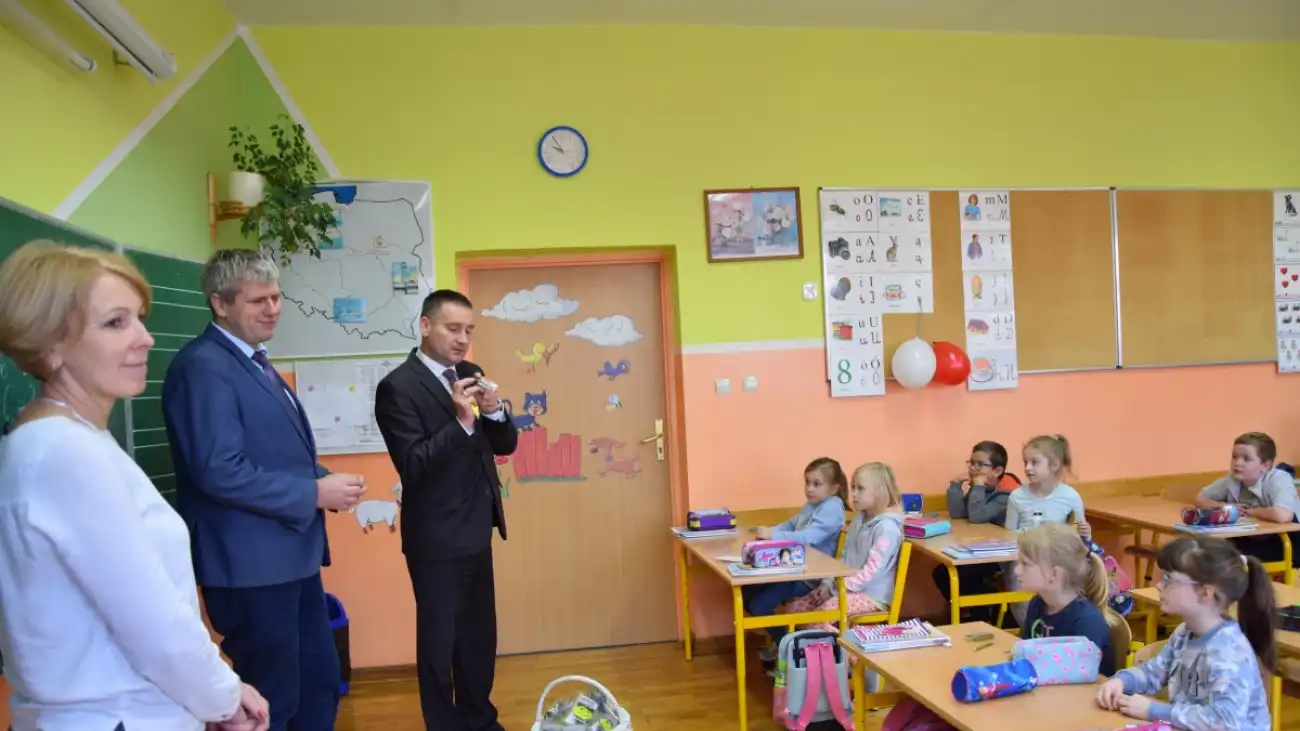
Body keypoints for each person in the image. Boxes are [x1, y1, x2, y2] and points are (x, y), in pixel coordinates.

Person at [0, 241, 269, 731]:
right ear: (50, 344)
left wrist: (210, 696)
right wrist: (224, 697)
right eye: (115, 323)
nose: (145, 338)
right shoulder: (65, 453)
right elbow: (153, 623)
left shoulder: (62, 438)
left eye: (139, 319)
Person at [162, 249, 365, 731]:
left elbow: (269, 452)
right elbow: (218, 469)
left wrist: (321, 478)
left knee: (318, 686)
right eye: (258, 300)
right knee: (274, 702)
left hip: (289, 561)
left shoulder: (252, 361)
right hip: (250, 569)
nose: (272, 309)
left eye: (276, 297)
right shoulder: (204, 366)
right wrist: (313, 493)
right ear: (220, 304)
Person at [373, 289, 517, 731]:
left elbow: (504, 444)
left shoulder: (471, 374)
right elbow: (413, 464)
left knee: (478, 638)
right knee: (439, 644)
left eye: (469, 330)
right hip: (435, 540)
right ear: (425, 326)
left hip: (476, 530)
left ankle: (480, 720)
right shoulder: (397, 387)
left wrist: (494, 412)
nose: (462, 339)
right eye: (453, 328)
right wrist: (460, 422)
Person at [1097, 536, 1275, 731]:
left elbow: (1224, 721)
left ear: (1205, 593)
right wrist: (1121, 681)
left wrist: (1154, 710)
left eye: (1168, 579)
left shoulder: (1229, 650)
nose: (1159, 585)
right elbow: (1154, 672)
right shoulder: (1185, 631)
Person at [778, 462, 905, 633]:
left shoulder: (887, 529)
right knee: (795, 609)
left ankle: (837, 648)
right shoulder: (859, 519)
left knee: (819, 616)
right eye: (853, 487)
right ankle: (807, 647)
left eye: (860, 488)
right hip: (843, 587)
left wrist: (835, 588)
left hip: (871, 596)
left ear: (879, 492)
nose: (854, 494)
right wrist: (828, 583)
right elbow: (844, 559)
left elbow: (870, 573)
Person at [746, 457, 848, 663]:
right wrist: (769, 532)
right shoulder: (813, 504)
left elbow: (808, 538)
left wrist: (773, 535)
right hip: (794, 568)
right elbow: (790, 525)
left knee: (758, 605)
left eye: (816, 484)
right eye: (807, 482)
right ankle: (783, 640)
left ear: (834, 488)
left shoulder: (832, 508)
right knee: (747, 594)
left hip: (809, 576)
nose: (809, 488)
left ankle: (789, 645)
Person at [1014, 523, 1122, 676]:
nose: (1017, 570)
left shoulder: (1086, 622)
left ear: (1055, 574)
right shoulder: (1037, 604)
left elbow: (1080, 679)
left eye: (1025, 564)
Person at [934, 440, 1020, 620]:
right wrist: (955, 485)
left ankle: (982, 616)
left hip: (1000, 557)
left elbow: (977, 517)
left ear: (997, 471)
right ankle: (976, 612)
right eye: (971, 463)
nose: (973, 468)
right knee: (942, 572)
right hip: (977, 551)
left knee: (967, 575)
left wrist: (978, 486)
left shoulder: (1005, 497)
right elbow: (957, 513)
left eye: (980, 464)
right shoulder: (978, 492)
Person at [1194, 431, 1300, 567]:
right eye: (1234, 457)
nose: (1237, 463)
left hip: (1286, 542)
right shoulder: (1232, 479)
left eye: (1246, 459)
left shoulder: (1278, 479)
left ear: (1265, 466)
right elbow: (1199, 499)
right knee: (1203, 551)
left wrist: (1249, 512)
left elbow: (1283, 515)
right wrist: (1225, 507)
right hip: (1251, 537)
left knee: (1219, 557)